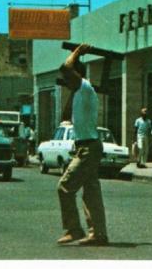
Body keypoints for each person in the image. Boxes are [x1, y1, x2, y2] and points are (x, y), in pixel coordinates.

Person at [55, 44, 108, 247]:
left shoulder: (84, 87)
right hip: (87, 146)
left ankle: (74, 229)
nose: (66, 82)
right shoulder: (79, 93)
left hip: (88, 148)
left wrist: (77, 52)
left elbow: (65, 68)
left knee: (65, 187)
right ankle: (98, 233)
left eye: (69, 79)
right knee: (91, 192)